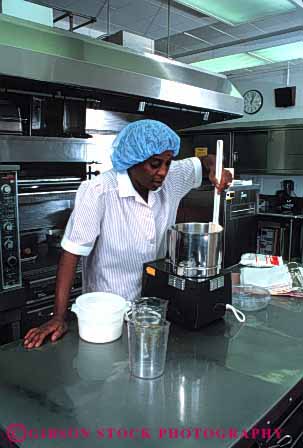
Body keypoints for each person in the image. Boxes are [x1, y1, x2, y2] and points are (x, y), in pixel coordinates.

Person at [24, 119, 232, 349]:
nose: (162, 172)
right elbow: (71, 253)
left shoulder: (170, 179)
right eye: (155, 164)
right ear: (133, 160)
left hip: (155, 312)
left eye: (167, 163)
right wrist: (58, 317)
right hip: (110, 316)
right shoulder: (99, 191)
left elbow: (205, 161)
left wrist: (216, 167)